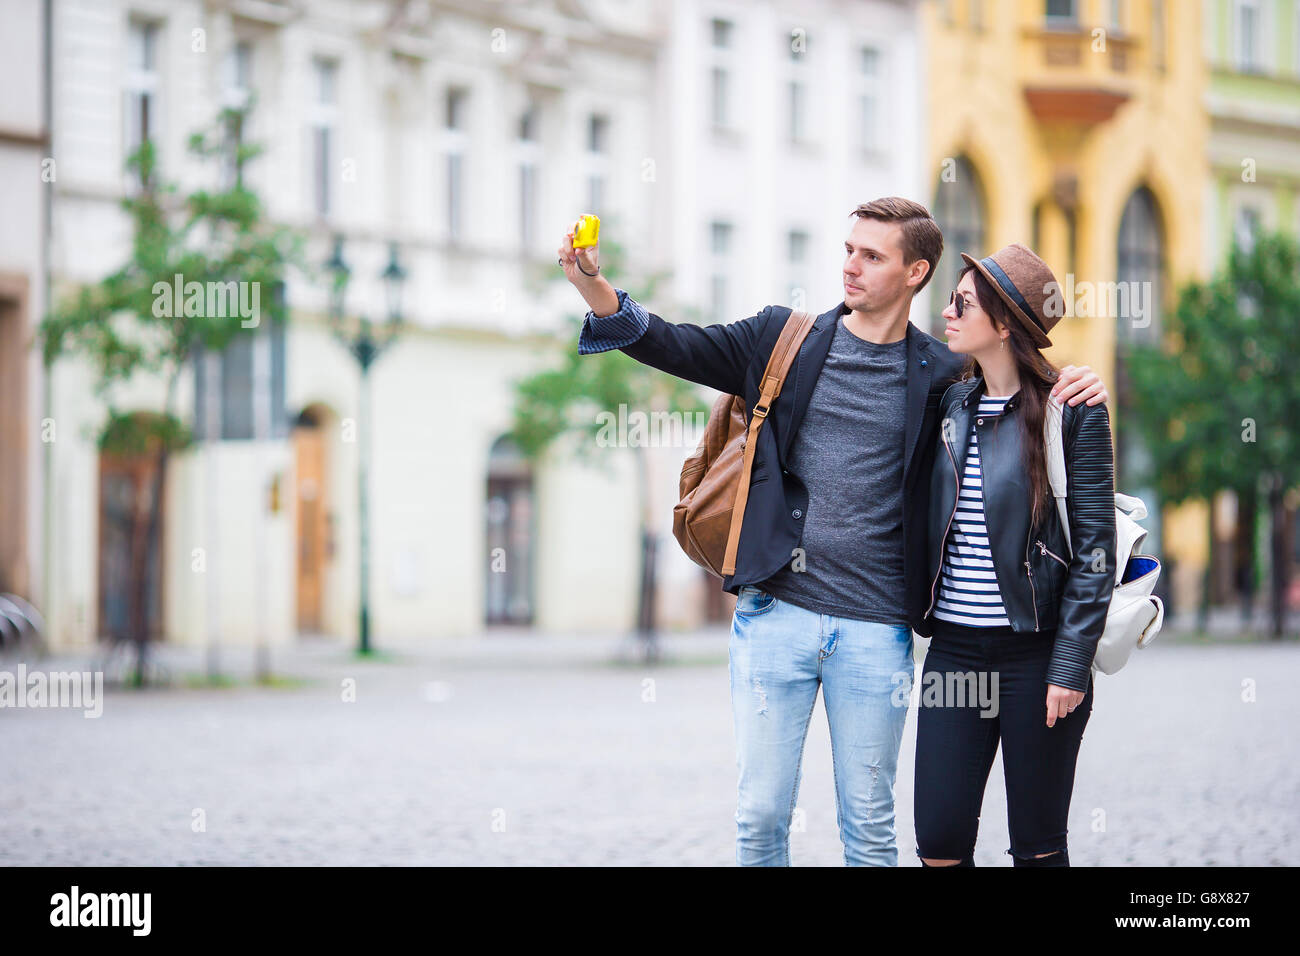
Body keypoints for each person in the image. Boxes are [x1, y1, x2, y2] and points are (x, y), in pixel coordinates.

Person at [558, 202, 1107, 866]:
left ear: (915, 272)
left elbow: (1017, 385)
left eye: (872, 255)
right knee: (761, 815)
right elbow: (674, 342)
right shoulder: (781, 341)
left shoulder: (943, 375)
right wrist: (594, 286)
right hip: (775, 616)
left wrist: (1075, 379)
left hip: (877, 631)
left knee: (872, 826)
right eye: (849, 249)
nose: (850, 264)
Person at [914, 242, 1116, 867]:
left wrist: (1069, 664)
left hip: (1037, 657)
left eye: (963, 302)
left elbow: (1096, 553)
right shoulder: (948, 404)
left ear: (1003, 326)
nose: (946, 311)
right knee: (940, 839)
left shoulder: (1073, 413)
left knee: (1037, 846)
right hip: (954, 652)